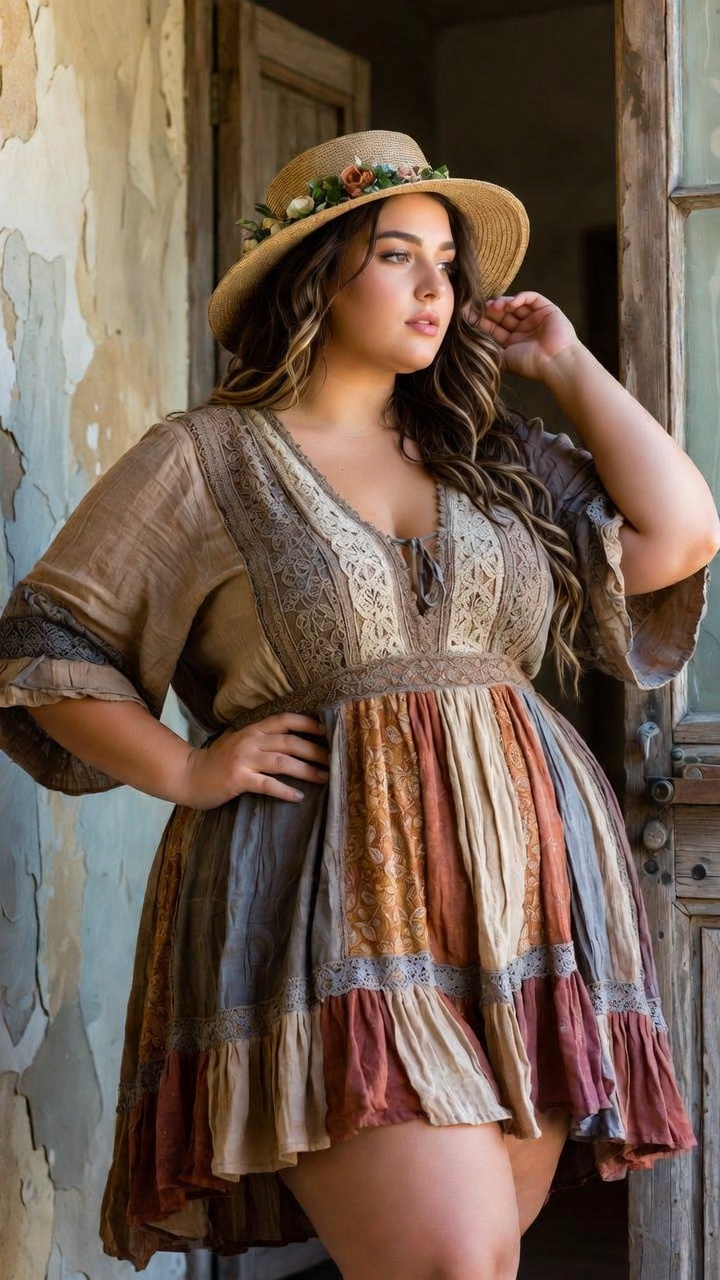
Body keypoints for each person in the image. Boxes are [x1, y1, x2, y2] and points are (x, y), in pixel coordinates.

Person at [0, 130, 717, 1280]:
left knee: (480, 1259)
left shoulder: (488, 453)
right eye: (398, 254)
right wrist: (187, 769)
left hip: (523, 900)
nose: (437, 286)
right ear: (317, 274)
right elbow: (48, 643)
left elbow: (679, 532)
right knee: (450, 1261)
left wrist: (569, 360)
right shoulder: (207, 459)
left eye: (448, 260)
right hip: (322, 903)